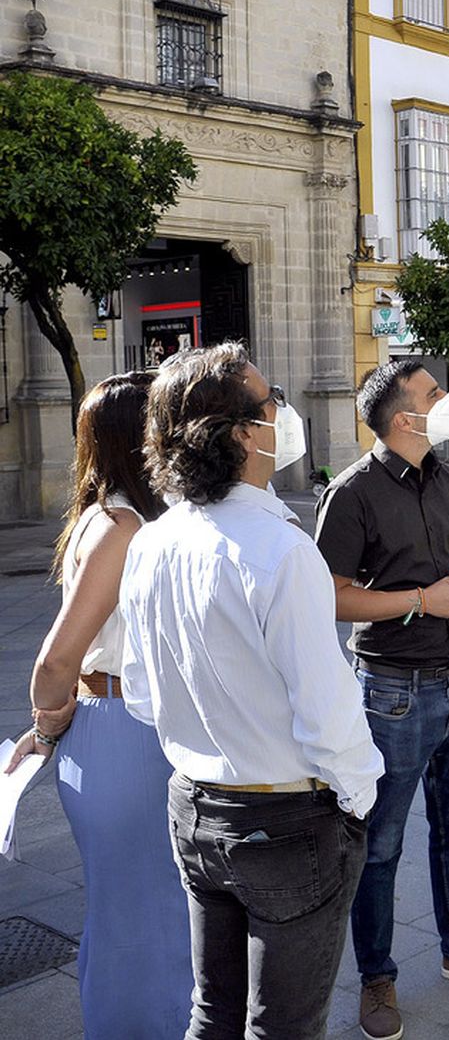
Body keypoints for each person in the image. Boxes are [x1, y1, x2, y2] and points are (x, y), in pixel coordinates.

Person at [119, 343, 383, 1039]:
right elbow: (327, 711)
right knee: (285, 1027)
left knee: (214, 1014)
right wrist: (358, 800)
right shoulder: (282, 550)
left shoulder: (152, 541)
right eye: (271, 404)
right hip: (287, 820)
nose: (281, 415)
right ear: (241, 433)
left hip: (196, 807)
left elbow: (142, 694)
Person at [315, 360, 449, 1040]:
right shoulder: (351, 494)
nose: (446, 400)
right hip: (391, 692)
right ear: (400, 418)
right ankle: (376, 977)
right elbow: (330, 594)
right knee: (378, 846)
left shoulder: (444, 475)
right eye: (433, 393)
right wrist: (419, 601)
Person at [3, 372, 190, 1039]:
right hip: (123, 733)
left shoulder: (102, 514)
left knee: (130, 911)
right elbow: (58, 658)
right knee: (145, 916)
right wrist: (46, 722)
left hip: (110, 729)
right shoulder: (122, 524)